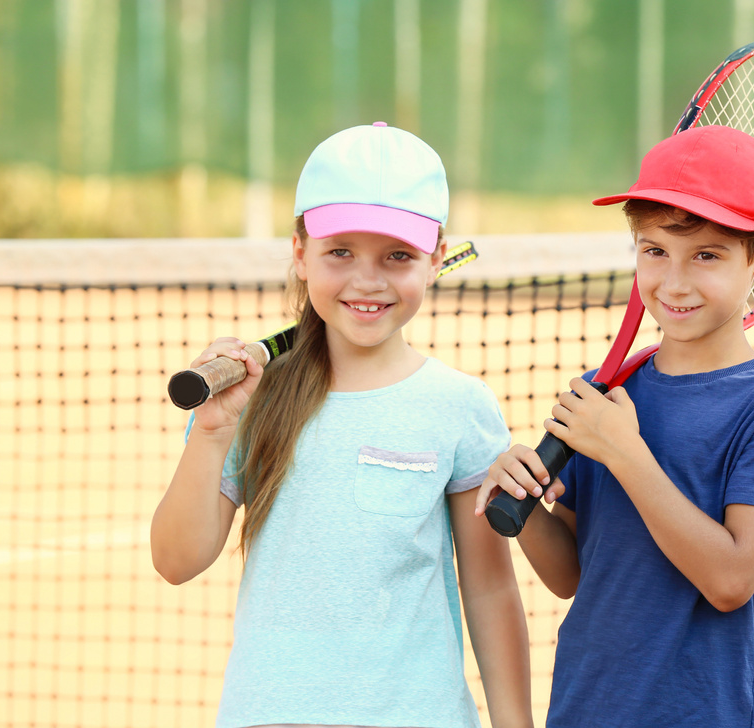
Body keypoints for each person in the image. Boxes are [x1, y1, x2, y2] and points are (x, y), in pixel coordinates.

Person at [152, 122, 533, 728]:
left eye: (398, 255)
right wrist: (212, 432)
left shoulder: (461, 406)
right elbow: (176, 560)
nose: (368, 279)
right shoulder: (254, 397)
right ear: (300, 253)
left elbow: (489, 590)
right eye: (340, 252)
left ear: (436, 259)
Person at [474, 125, 754, 727]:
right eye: (654, 250)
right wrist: (525, 504)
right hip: (583, 710)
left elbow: (730, 580)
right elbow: (570, 576)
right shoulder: (607, 393)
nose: (675, 280)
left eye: (707, 255)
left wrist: (626, 454)